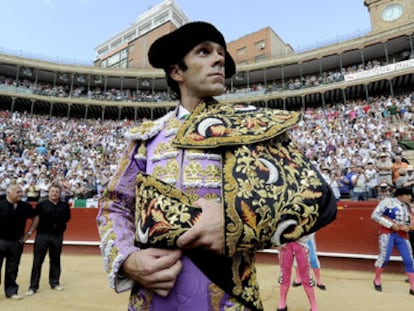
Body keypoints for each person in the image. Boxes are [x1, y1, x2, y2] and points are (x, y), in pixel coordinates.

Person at [96, 21, 337, 311]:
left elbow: (317, 199)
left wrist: (237, 222)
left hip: (227, 297)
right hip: (153, 297)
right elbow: (115, 205)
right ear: (176, 72)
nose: (219, 59)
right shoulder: (147, 138)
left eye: (221, 53)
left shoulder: (251, 126)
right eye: (204, 52)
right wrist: (128, 260)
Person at [25, 183, 71, 296]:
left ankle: (54, 282)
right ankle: (33, 286)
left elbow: (67, 218)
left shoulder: (64, 205)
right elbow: (36, 218)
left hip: (57, 235)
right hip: (43, 235)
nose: (54, 193)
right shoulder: (41, 205)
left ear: (60, 193)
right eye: (52, 191)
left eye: (56, 192)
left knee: (55, 259)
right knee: (37, 261)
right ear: (49, 193)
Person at [371, 187, 414, 295]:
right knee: (384, 258)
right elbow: (375, 215)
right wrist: (390, 225)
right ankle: (377, 280)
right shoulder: (387, 202)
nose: (410, 197)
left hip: (402, 235)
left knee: (409, 259)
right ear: (400, 195)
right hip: (387, 233)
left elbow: (410, 220)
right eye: (407, 195)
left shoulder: (407, 206)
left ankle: (413, 287)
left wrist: (408, 227)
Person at [0, 185, 39, 300]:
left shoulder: (25, 206)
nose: (20, 194)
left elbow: (35, 217)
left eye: (21, 192)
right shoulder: (0, 204)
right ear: (8, 192)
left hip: (16, 241)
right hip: (0, 240)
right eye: (18, 192)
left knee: (13, 267)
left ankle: (11, 291)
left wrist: (29, 233)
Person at [277, 235, 319, 311]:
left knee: (306, 274)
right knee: (284, 274)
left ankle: (314, 305)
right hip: (284, 243)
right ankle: (282, 302)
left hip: (301, 242)